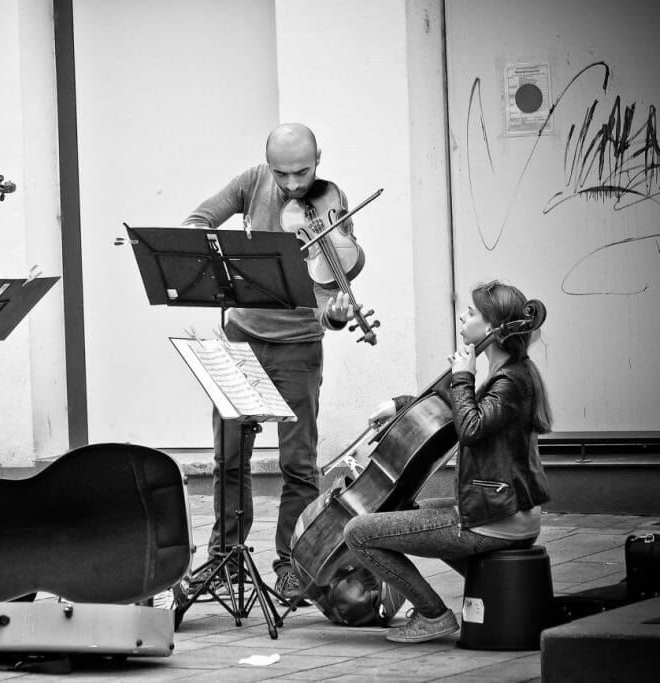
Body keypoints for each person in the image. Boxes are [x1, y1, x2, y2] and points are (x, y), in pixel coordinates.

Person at [175, 123, 354, 604]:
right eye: (283, 174)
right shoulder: (251, 182)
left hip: (299, 345)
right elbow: (196, 222)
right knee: (229, 457)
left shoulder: (331, 201)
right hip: (243, 338)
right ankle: (225, 556)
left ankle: (292, 563)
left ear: (320, 157)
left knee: (299, 463)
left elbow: (331, 292)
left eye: (303, 171)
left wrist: (335, 316)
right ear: (267, 163)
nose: (294, 185)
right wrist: (226, 262)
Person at [343, 280, 552, 643]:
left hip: (496, 519)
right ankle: (491, 595)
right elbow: (457, 413)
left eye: (470, 312)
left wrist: (462, 376)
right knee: (413, 511)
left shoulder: (511, 381)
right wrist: (400, 405)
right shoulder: (509, 373)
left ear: (491, 328)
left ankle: (432, 615)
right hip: (499, 511)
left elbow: (469, 427)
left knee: (358, 532)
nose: (461, 315)